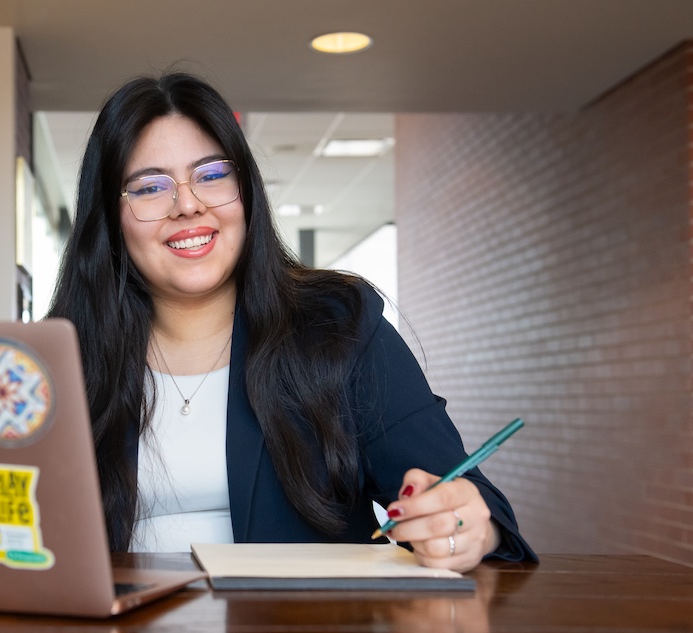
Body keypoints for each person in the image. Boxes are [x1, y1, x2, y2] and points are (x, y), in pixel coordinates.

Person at [47, 71, 536, 571]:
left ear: (246, 191)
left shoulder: (338, 327)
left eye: (212, 175)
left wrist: (465, 525)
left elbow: (466, 497)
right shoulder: (58, 361)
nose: (188, 204)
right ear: (109, 216)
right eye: (150, 187)